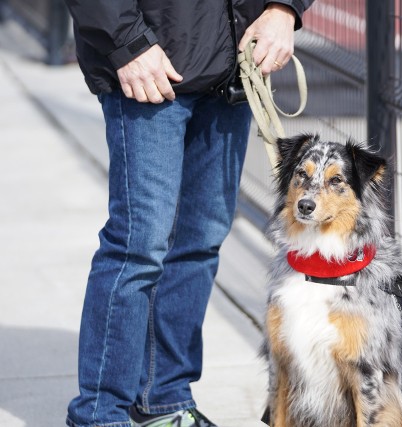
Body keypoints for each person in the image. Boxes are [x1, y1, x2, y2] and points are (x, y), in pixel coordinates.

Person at [62, 0, 314, 426]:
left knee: (200, 242)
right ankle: (99, 414)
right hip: (149, 62)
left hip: (234, 63)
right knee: (138, 245)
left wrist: (283, 9)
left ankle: (163, 399)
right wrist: (126, 43)